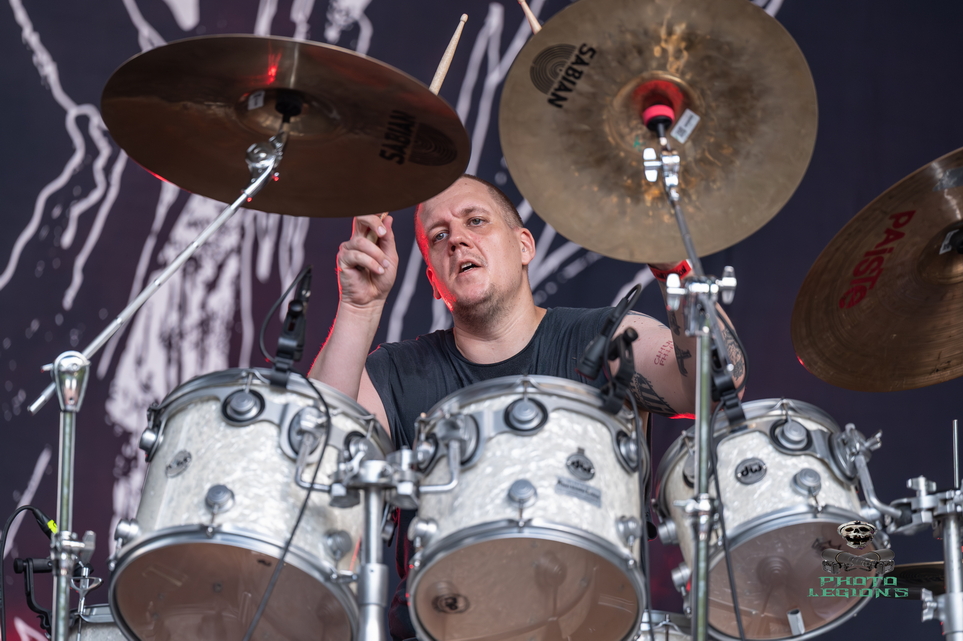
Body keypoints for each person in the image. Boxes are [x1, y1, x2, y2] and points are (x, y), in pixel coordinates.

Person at [308, 174, 745, 640]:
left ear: (524, 246)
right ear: (433, 280)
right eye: (438, 236)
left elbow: (717, 384)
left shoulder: (606, 338)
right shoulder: (397, 371)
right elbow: (316, 455)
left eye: (476, 221)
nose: (457, 239)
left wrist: (676, 269)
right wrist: (359, 308)